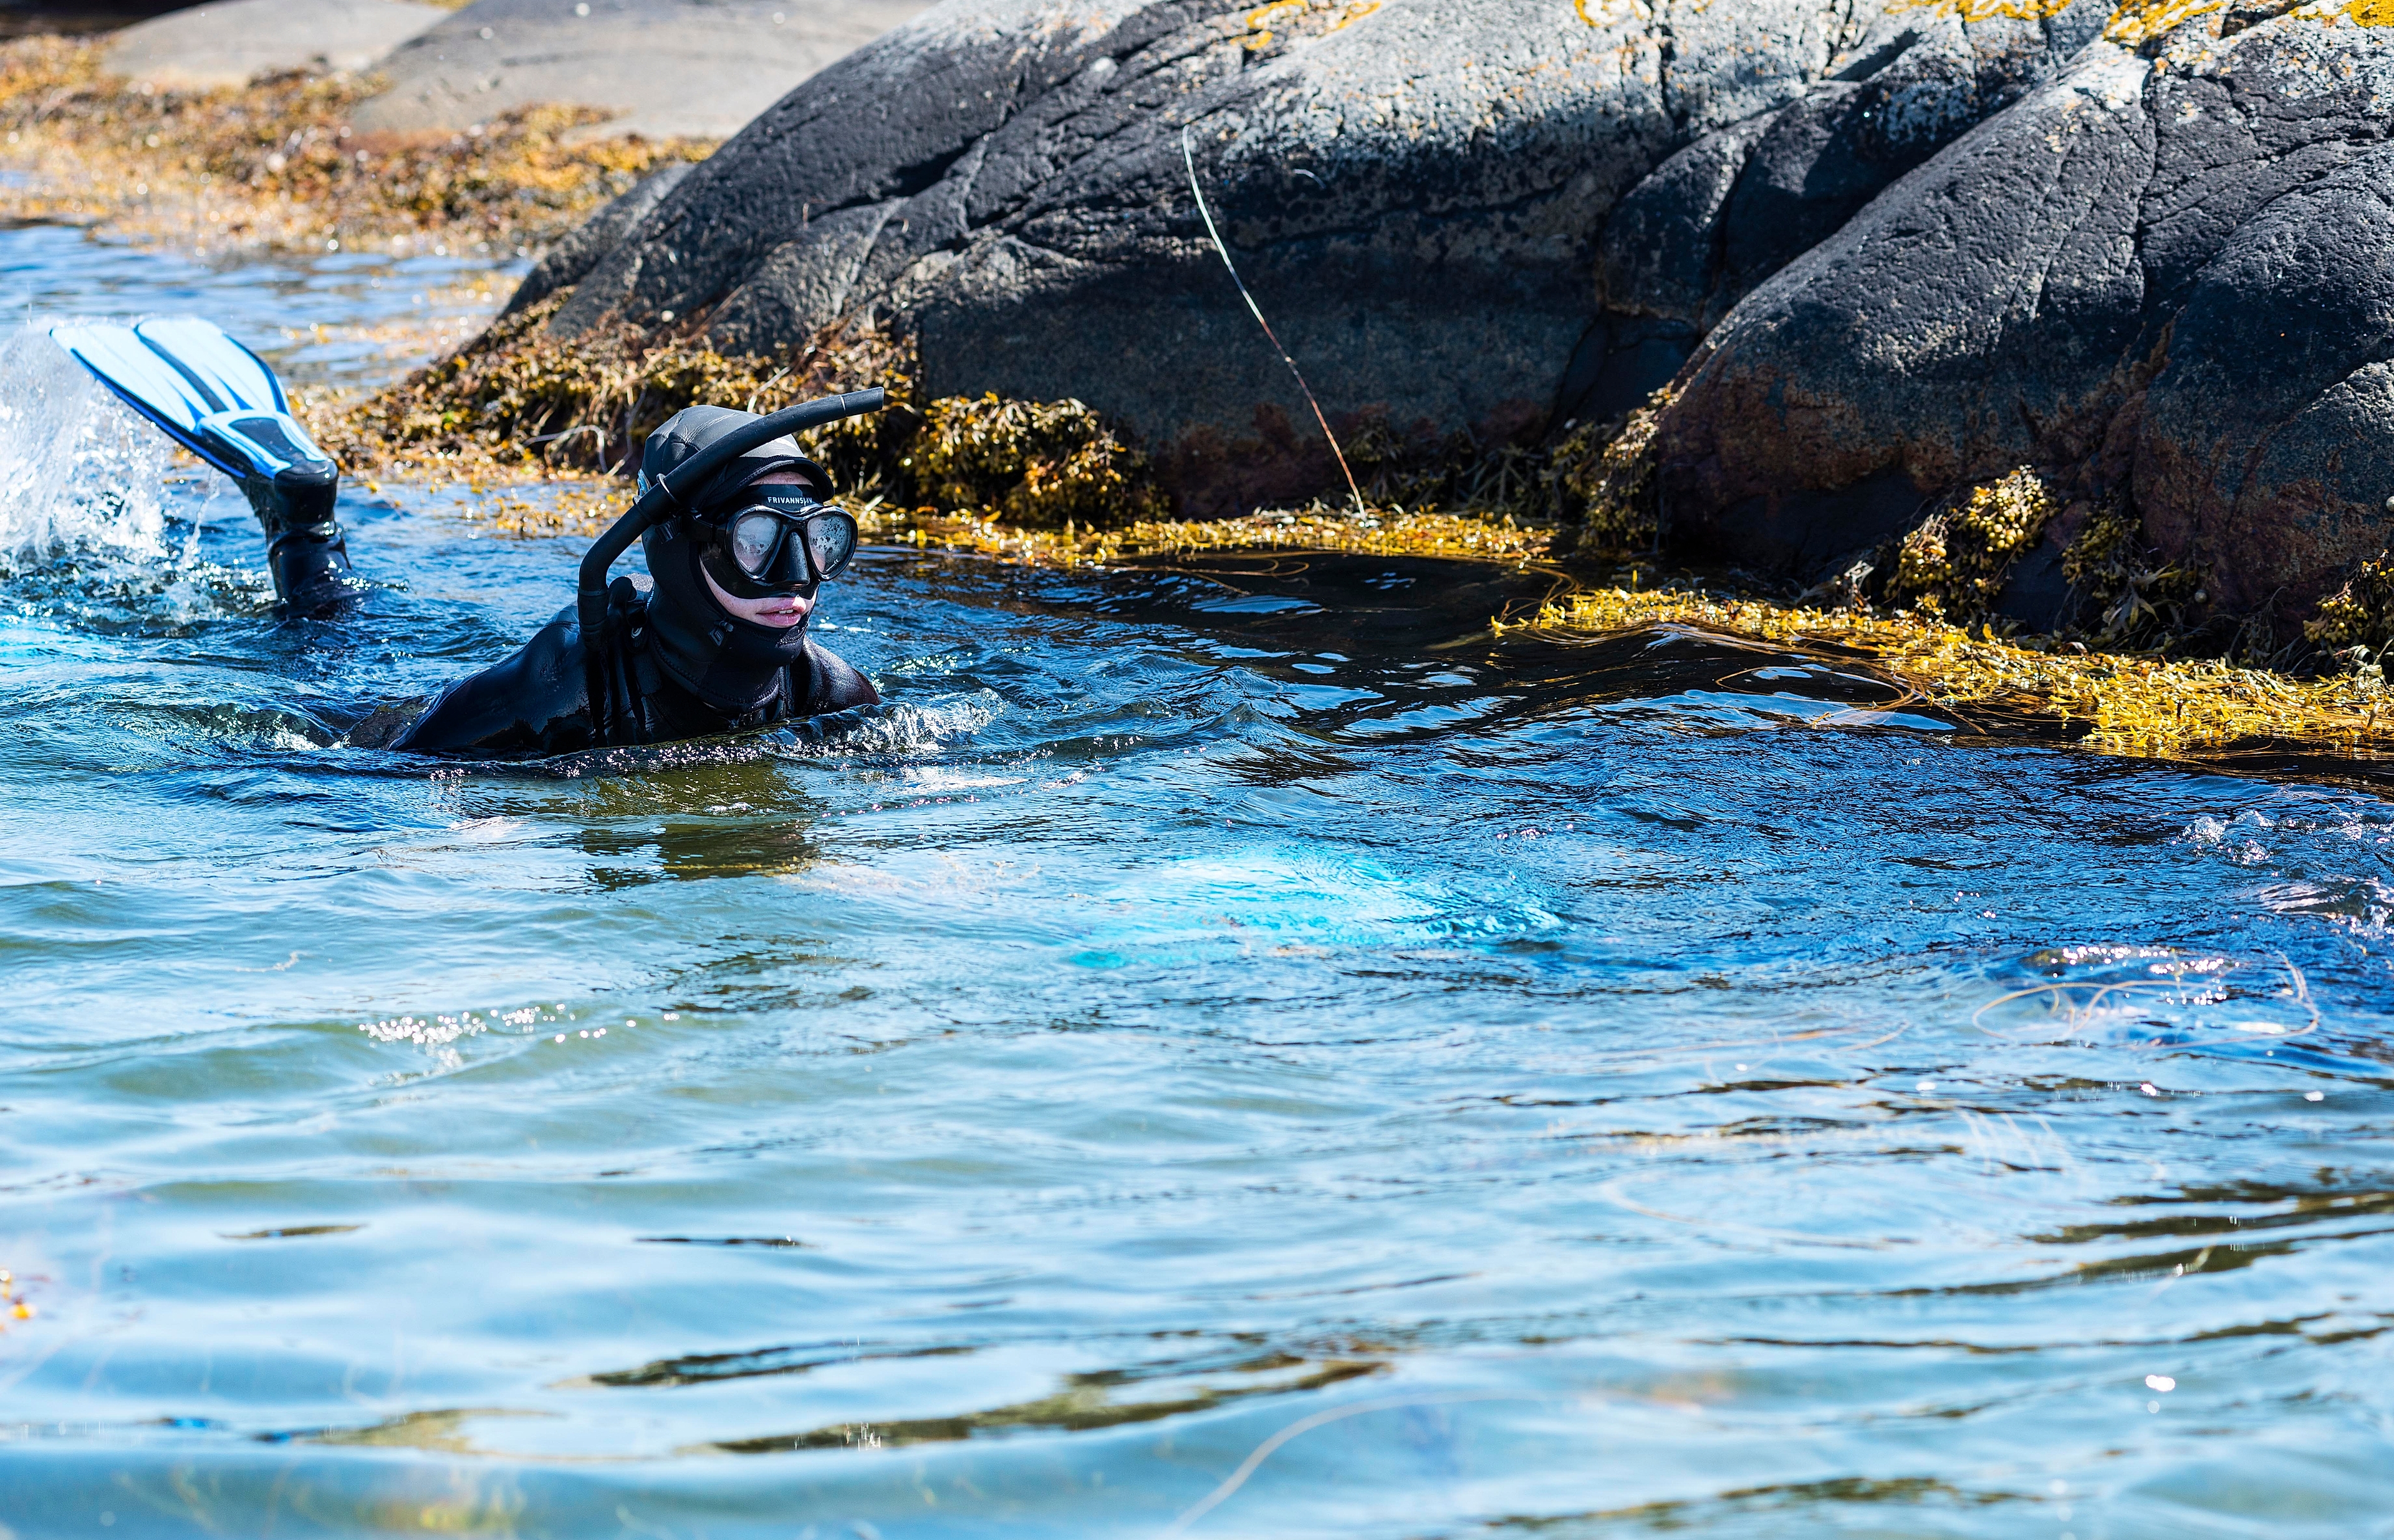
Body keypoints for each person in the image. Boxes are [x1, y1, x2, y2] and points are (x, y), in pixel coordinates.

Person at [376, 403, 879, 756]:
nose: (796, 579)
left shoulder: (831, 695)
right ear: (675, 544)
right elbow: (372, 783)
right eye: (755, 541)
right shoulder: (555, 693)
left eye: (818, 540)